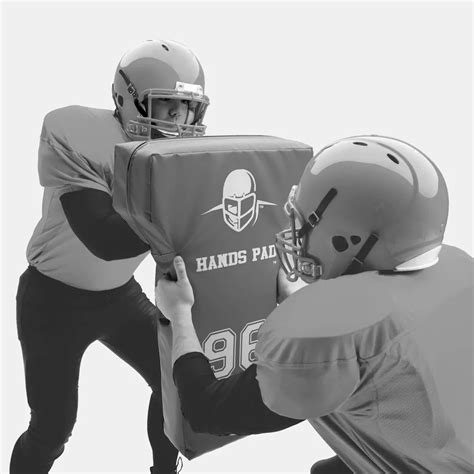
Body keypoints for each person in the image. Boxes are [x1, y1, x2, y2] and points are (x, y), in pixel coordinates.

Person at [155, 136, 473, 473]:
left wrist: (179, 314)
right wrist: (298, 298)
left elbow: (205, 408)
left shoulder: (329, 336)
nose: (294, 230)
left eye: (304, 221)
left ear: (349, 239)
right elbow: (386, 339)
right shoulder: (457, 267)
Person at [11, 39, 209, 474]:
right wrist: (183, 212)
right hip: (52, 301)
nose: (178, 121)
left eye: (187, 109)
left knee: (173, 382)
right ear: (128, 99)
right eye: (167, 106)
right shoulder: (77, 133)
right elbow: (105, 239)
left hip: (119, 295)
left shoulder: (174, 156)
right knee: (52, 428)